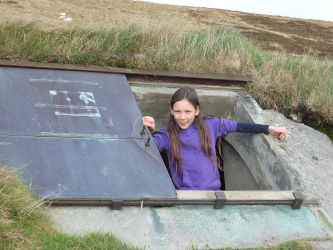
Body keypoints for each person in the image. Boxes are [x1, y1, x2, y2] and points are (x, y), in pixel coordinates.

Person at [142, 88, 287, 191]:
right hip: (186, 196)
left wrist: (268, 128)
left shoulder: (211, 124)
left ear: (197, 110)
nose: (182, 117)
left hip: (214, 193)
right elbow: (148, 147)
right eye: (178, 111)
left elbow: (238, 126)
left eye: (188, 111)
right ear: (171, 110)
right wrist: (149, 132)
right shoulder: (168, 134)